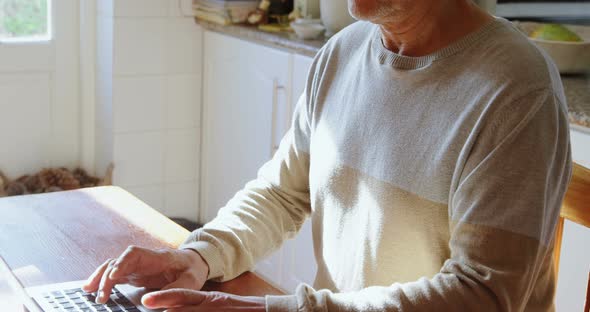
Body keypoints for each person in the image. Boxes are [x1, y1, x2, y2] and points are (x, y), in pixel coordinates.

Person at [83, 0, 572, 311]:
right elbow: (280, 193)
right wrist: (197, 256)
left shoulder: (517, 90)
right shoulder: (343, 52)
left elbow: (482, 295)